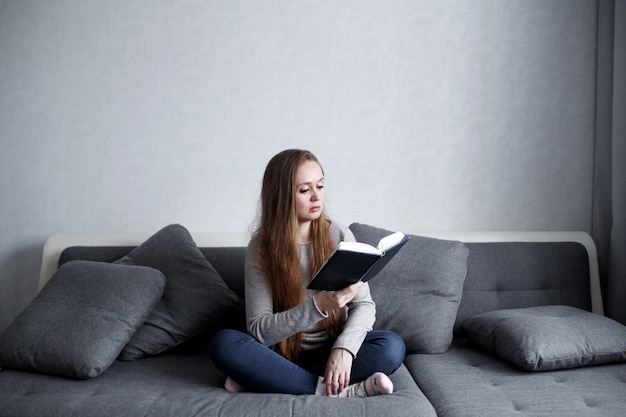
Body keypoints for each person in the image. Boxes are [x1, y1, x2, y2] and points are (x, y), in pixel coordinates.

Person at [210, 149, 405, 397]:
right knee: (224, 344)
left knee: (391, 346)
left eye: (320, 186)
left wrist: (344, 350)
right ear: (281, 196)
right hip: (280, 354)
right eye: (305, 190)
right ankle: (337, 390)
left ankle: (267, 380)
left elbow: (364, 305)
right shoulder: (261, 248)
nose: (316, 197)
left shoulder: (339, 235)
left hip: (330, 352)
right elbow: (259, 330)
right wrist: (319, 304)